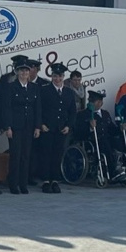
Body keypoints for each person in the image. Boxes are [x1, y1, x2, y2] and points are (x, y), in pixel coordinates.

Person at [2, 60, 41, 194]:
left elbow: (37, 108)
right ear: (17, 72)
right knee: (15, 155)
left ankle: (23, 184)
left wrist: (37, 127)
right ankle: (13, 184)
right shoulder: (11, 87)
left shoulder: (34, 88)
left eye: (26, 70)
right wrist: (8, 127)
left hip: (29, 126)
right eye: (21, 70)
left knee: (26, 155)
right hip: (15, 126)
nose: (24, 73)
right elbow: (6, 108)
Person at [38, 63, 77, 194]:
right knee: (45, 154)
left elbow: (72, 112)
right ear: (52, 76)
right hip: (47, 128)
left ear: (63, 77)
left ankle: (54, 180)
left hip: (61, 129)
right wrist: (41, 124)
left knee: (57, 154)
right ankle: (45, 181)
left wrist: (68, 126)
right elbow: (39, 109)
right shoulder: (44, 90)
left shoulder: (69, 92)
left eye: (60, 76)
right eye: (55, 76)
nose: (57, 79)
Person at [78, 90, 124, 182]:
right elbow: (79, 133)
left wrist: (120, 128)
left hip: (107, 138)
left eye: (100, 101)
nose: (99, 103)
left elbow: (112, 129)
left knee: (119, 142)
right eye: (97, 101)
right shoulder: (82, 115)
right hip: (92, 141)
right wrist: (90, 128)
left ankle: (123, 167)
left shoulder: (105, 114)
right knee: (105, 144)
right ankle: (112, 171)